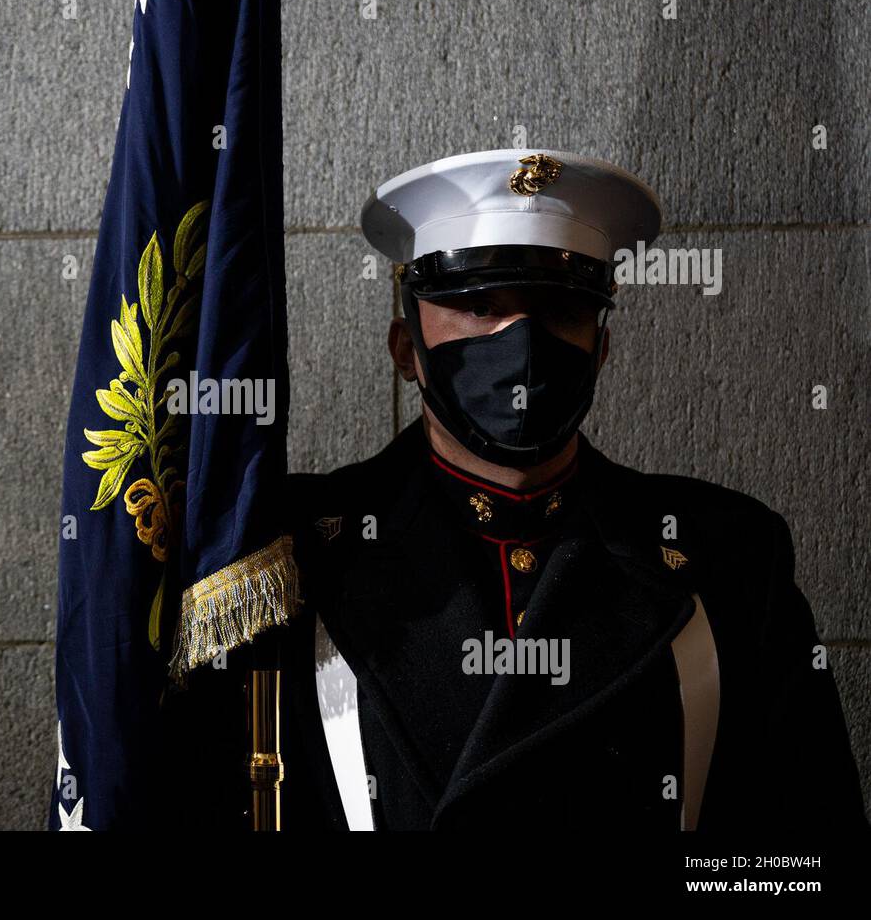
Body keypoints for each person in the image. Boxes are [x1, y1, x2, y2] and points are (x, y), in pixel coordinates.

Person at [271, 149, 867, 831]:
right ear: (406, 349)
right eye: (479, 305)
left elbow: (803, 856)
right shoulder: (298, 554)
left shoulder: (729, 556)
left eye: (559, 309)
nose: (521, 340)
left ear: (600, 349)